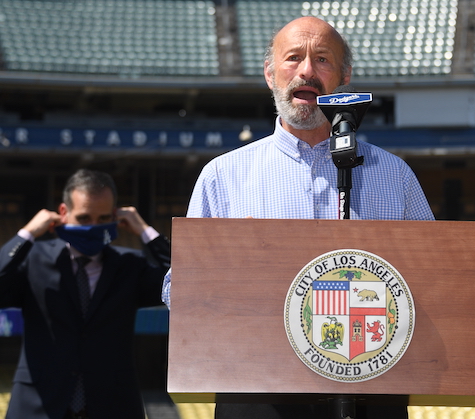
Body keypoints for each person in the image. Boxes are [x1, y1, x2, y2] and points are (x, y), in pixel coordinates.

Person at [162, 16, 435, 419]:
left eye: (322, 59)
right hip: (255, 389)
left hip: (372, 391)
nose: (306, 70)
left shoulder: (394, 176)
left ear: (345, 76)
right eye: (293, 58)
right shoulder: (223, 177)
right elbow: (176, 290)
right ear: (270, 74)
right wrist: (236, 272)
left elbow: (436, 280)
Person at [0, 169, 171, 419]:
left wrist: (145, 230)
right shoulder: (33, 260)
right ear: (62, 213)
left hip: (113, 406)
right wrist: (26, 233)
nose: (93, 227)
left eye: (103, 219)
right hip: (38, 406)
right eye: (83, 218)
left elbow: (186, 280)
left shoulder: (131, 266)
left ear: (115, 216)